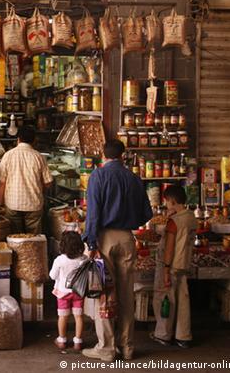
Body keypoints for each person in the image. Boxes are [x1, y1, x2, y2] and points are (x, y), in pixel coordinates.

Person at [82, 140, 153, 362]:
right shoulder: (134, 178)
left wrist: (92, 243)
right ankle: (127, 347)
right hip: (127, 239)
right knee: (125, 294)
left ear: (103, 155)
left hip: (104, 238)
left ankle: (106, 348)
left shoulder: (98, 176)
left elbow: (93, 214)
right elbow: (146, 214)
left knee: (103, 293)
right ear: (123, 155)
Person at [150, 185, 197, 349]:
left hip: (171, 265)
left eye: (167, 202)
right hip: (184, 264)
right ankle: (183, 336)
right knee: (183, 300)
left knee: (164, 299)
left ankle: (163, 334)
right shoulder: (190, 216)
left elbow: (169, 248)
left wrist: (165, 270)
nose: (166, 205)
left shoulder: (173, 222)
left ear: (172, 200)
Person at [0, 125, 53, 234]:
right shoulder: (39, 157)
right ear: (34, 140)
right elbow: (48, 183)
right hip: (34, 204)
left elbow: (2, 182)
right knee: (34, 239)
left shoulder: (8, 155)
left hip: (13, 204)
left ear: (18, 139)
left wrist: (0, 203)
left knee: (15, 237)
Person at [50, 231, 87, 351]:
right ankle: (78, 342)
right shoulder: (84, 259)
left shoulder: (60, 260)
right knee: (79, 316)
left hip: (63, 293)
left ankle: (62, 340)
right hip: (78, 293)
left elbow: (52, 276)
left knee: (63, 317)